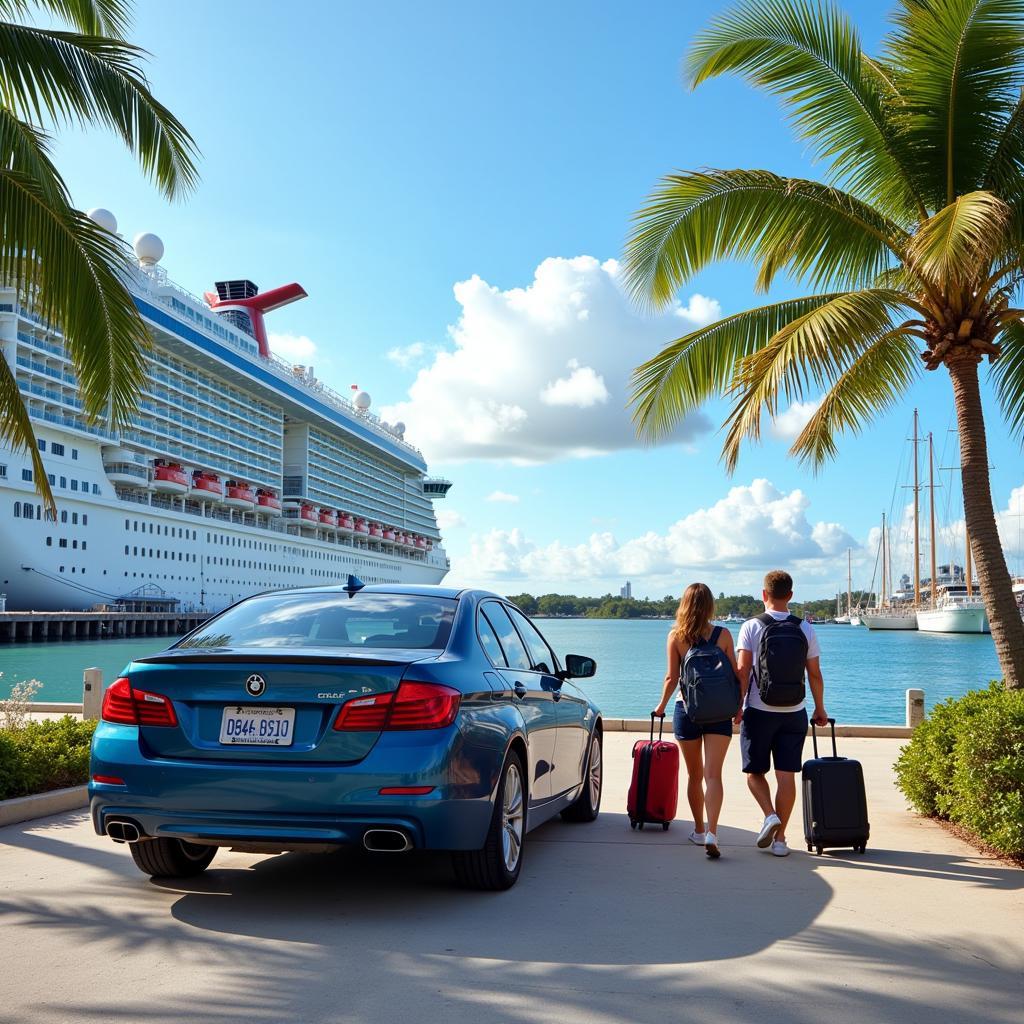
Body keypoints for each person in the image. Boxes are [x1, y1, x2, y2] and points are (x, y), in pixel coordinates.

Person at [736, 569, 828, 858]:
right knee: (786, 776)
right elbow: (814, 674)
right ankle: (781, 840)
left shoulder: (751, 627)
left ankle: (769, 815)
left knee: (753, 773)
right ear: (790, 595)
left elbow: (742, 672)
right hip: (795, 712)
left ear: (764, 594)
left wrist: (737, 706)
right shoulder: (805, 628)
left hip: (759, 710)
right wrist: (820, 707)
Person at [653, 583, 739, 859]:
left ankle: (699, 830)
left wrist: (661, 706)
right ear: (711, 605)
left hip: (687, 710)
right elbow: (735, 676)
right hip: (719, 713)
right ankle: (713, 831)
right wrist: (738, 707)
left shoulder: (675, 636)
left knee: (694, 776)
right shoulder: (723, 634)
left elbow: (672, 678)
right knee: (714, 775)